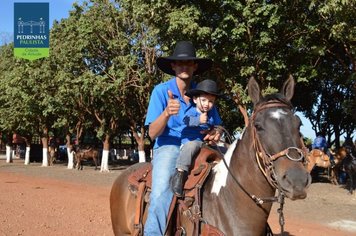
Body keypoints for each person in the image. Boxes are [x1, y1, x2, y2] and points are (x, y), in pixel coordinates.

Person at [144, 41, 222, 235]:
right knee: (161, 191)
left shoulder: (203, 93)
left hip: (200, 145)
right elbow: (152, 134)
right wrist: (166, 114)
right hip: (168, 146)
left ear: (195, 66)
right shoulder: (160, 91)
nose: (184, 66)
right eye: (180, 63)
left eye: (189, 62)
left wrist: (217, 132)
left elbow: (216, 124)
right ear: (173, 66)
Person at [171, 79, 222, 197]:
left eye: (211, 101)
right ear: (195, 99)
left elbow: (219, 125)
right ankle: (180, 173)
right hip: (191, 140)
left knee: (224, 151)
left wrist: (217, 131)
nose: (206, 104)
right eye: (203, 100)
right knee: (191, 147)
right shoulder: (192, 110)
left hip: (206, 142)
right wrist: (198, 120)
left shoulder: (212, 112)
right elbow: (186, 120)